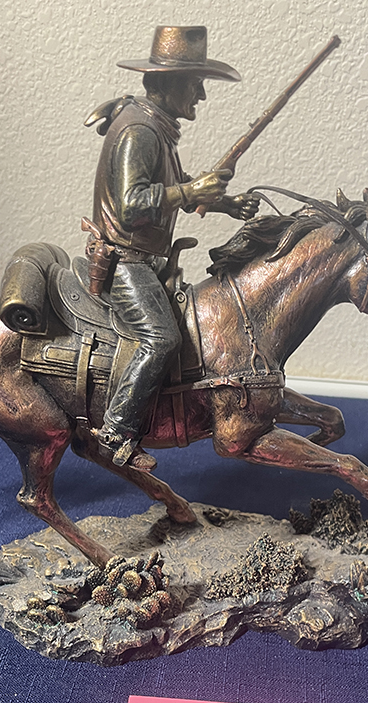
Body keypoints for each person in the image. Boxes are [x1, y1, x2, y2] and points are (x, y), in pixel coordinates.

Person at [86, 26, 259, 470]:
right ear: (168, 83)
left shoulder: (156, 128)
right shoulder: (139, 130)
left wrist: (224, 202)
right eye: (195, 83)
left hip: (147, 259)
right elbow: (131, 205)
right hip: (126, 260)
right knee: (161, 339)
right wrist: (192, 191)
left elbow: (172, 187)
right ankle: (116, 429)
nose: (201, 94)